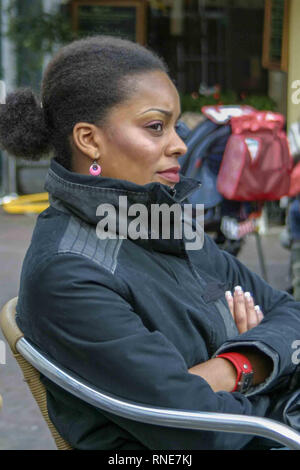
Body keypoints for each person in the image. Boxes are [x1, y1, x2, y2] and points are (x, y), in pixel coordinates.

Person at [0, 36, 299, 450]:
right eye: (156, 126)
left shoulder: (162, 224)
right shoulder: (67, 272)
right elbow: (202, 431)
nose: (180, 144)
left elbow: (289, 311)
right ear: (89, 140)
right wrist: (260, 362)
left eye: (177, 126)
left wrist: (235, 364)